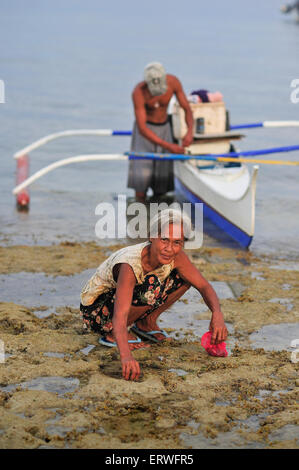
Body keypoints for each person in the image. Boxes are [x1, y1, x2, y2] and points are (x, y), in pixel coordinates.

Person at [80, 209, 228, 381]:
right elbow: (119, 315)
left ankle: (145, 323)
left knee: (185, 278)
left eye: (176, 242)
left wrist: (217, 314)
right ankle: (113, 335)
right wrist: (126, 356)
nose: (169, 249)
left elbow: (204, 285)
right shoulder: (129, 264)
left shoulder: (176, 256)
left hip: (123, 304)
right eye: (164, 240)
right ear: (152, 236)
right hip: (98, 312)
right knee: (150, 288)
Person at [127, 62, 194, 202]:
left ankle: (158, 216)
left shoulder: (173, 82)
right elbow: (142, 128)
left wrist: (189, 133)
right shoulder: (138, 92)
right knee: (141, 184)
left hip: (164, 128)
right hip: (145, 133)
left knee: (161, 184)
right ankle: (139, 217)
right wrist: (169, 146)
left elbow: (187, 108)